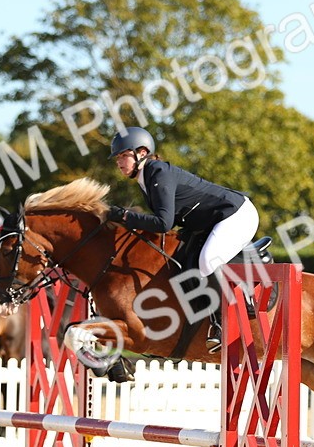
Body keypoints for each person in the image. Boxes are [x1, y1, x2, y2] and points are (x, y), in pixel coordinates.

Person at [105, 126, 259, 353]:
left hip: (236, 215)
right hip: (211, 222)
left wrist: (125, 216)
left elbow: (164, 223)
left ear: (142, 152)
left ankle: (224, 323)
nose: (119, 162)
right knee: (182, 261)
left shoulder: (157, 171)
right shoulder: (145, 179)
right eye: (117, 157)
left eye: (124, 155)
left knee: (207, 261)